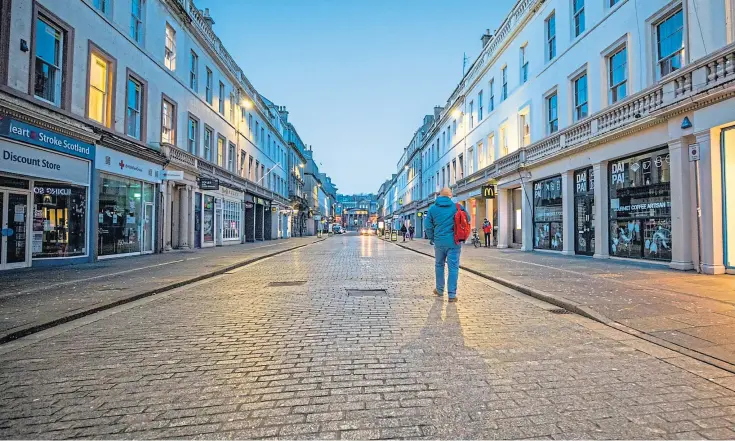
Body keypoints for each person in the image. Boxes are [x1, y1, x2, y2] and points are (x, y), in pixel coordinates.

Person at [424, 187, 470, 302]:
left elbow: (428, 226)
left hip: (439, 242)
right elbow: (467, 219)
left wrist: (432, 238)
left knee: (439, 265)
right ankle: (452, 295)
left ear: (439, 196)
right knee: (453, 268)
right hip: (454, 242)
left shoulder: (432, 209)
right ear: (450, 196)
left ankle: (439, 290)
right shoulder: (457, 207)